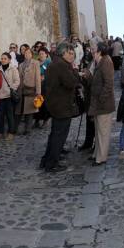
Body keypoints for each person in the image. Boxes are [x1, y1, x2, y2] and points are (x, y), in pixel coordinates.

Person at [40, 43, 80, 173]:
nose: (72, 56)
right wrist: (74, 70)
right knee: (59, 136)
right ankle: (51, 163)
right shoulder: (61, 65)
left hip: (56, 105)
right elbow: (72, 82)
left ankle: (46, 160)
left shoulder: (55, 63)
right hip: (61, 106)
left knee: (54, 135)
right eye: (70, 53)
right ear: (63, 53)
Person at [87, 42, 115, 166]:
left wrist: (102, 99)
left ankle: (101, 157)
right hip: (99, 103)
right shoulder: (100, 62)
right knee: (98, 130)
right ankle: (97, 154)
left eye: (94, 50)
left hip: (104, 104)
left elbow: (108, 84)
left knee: (103, 132)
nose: (92, 52)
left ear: (99, 51)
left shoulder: (106, 62)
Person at [16, 46, 42, 135]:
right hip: (22, 89)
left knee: (30, 111)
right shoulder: (21, 65)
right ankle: (17, 128)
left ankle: (28, 129)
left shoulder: (35, 63)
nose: (27, 55)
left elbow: (38, 78)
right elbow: (19, 78)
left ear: (31, 54)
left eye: (29, 53)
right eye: (26, 53)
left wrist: (38, 92)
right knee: (21, 109)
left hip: (31, 89)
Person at [0, 52, 19, 139]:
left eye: (5, 58)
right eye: (2, 58)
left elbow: (17, 81)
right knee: (0, 115)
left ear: (9, 60)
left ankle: (11, 132)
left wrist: (11, 89)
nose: (3, 60)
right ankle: (1, 132)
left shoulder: (13, 69)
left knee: (10, 115)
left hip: (9, 96)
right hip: (0, 96)